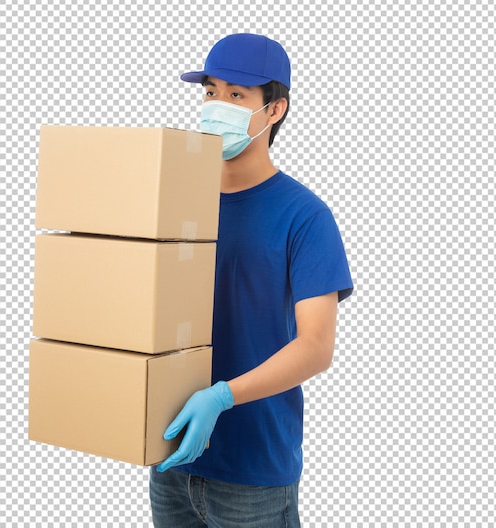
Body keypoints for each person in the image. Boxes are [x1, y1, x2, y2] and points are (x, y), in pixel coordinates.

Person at [149, 33, 354, 527]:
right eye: (211, 91)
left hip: (254, 476)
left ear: (275, 110)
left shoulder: (304, 216)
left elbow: (316, 346)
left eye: (237, 95)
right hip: (169, 457)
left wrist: (221, 396)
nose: (217, 105)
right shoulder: (172, 205)